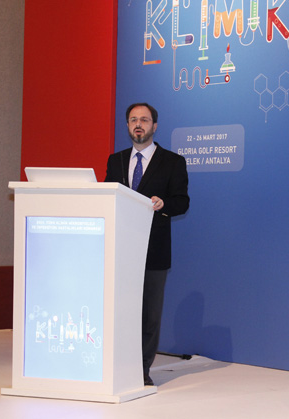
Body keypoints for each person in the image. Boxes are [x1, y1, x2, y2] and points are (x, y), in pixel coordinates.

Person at [104, 103, 190, 386]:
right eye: (133, 120)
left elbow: (182, 202)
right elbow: (108, 197)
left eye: (144, 119)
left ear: (155, 126)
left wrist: (164, 204)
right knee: (122, 311)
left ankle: (141, 370)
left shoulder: (173, 162)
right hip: (120, 249)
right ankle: (118, 366)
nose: (138, 124)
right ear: (127, 126)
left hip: (154, 249)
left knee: (149, 314)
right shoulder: (115, 161)